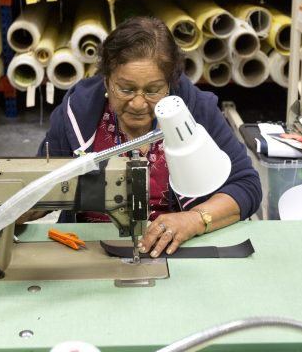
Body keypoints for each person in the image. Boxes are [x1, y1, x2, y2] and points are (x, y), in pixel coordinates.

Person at [36, 16, 261, 258]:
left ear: (170, 85)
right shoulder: (76, 114)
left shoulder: (196, 113)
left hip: (179, 250)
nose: (138, 103)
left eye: (153, 90)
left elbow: (246, 185)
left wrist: (194, 220)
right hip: (88, 248)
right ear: (106, 79)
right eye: (126, 89)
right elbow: (38, 190)